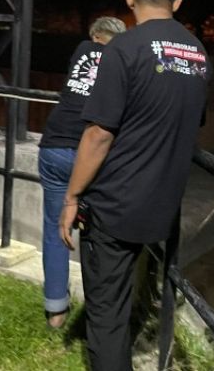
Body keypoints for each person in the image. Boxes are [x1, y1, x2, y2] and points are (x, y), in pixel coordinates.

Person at [59, 0, 210, 371]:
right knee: (129, 298)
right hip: (163, 206)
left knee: (106, 316)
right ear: (176, 2)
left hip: (114, 206)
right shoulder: (198, 53)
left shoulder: (123, 49)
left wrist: (72, 196)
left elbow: (98, 134)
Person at [38, 16, 126, 329]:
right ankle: (101, 313)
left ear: (94, 35)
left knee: (55, 229)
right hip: (89, 154)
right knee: (97, 233)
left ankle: (56, 312)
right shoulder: (121, 60)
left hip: (53, 147)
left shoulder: (80, 50)